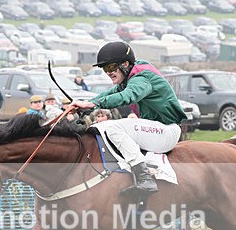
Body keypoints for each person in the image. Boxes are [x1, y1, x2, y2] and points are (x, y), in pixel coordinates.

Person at [71, 41, 185, 196]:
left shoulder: (142, 78)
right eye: (105, 69)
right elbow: (109, 94)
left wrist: (94, 103)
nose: (108, 72)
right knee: (101, 127)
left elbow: (127, 97)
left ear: (125, 64)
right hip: (155, 131)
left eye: (111, 67)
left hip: (166, 132)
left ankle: (144, 178)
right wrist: (87, 105)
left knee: (110, 127)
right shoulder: (130, 77)